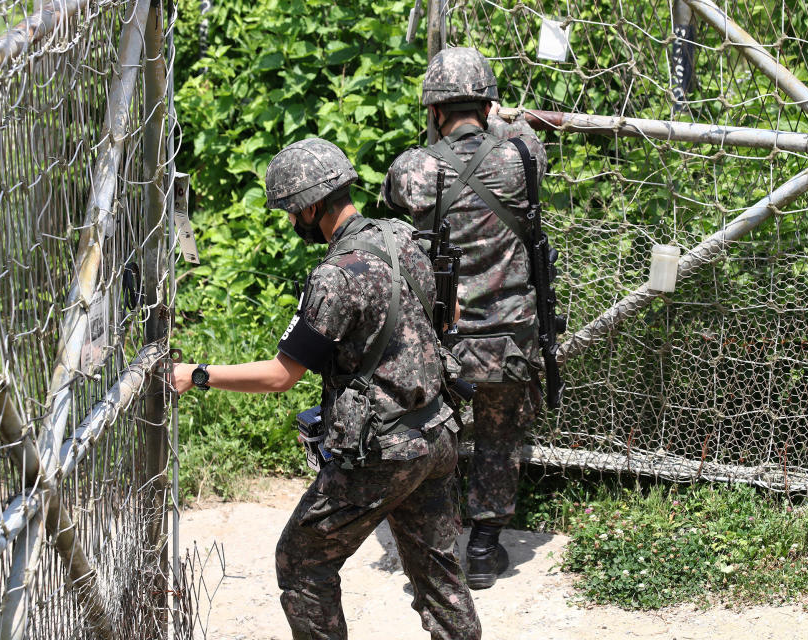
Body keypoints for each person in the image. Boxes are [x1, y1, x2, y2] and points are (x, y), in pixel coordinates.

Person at [173, 138, 481, 640]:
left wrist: (199, 374)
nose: (292, 223)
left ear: (311, 207)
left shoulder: (337, 276)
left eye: (291, 212)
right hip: (438, 433)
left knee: (301, 562)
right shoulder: (405, 239)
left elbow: (280, 375)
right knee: (439, 574)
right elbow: (453, 316)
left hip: (383, 455)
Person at [382, 47, 547, 590]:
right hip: (508, 331)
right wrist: (508, 121)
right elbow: (524, 138)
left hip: (441, 336)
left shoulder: (415, 168)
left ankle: (434, 543)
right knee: (499, 439)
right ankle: (483, 549)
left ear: (434, 110)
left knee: (434, 436)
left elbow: (393, 199)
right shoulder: (524, 155)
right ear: (487, 102)